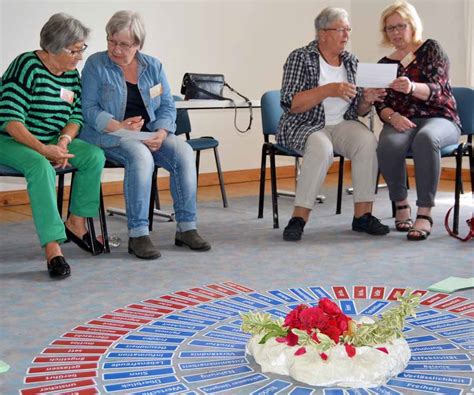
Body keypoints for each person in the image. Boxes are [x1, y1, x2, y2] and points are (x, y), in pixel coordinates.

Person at [80, 10, 211, 259]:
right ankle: (138, 233)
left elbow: (166, 105)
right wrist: (119, 126)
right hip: (108, 135)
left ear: (138, 44)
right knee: (140, 156)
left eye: (123, 44)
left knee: (183, 151)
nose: (115, 49)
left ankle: (187, 227)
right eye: (111, 41)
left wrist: (162, 131)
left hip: (149, 134)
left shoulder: (153, 66)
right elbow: (88, 109)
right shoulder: (96, 65)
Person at [0, 13, 105, 279]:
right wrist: (43, 150)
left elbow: (75, 116)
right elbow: (11, 119)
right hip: (12, 138)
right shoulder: (26, 66)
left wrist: (63, 141)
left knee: (93, 156)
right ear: (52, 49)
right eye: (74, 50)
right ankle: (52, 246)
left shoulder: (70, 74)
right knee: (39, 166)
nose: (79, 56)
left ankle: (76, 222)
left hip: (50, 138)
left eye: (82, 49)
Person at [277, 6, 389, 241]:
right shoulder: (300, 57)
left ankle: (363, 215)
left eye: (348, 30)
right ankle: (299, 217)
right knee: (321, 147)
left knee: (368, 141)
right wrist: (329, 90)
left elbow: (358, 109)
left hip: (342, 124)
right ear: (323, 33)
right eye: (341, 30)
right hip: (305, 124)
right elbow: (291, 103)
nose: (346, 36)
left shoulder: (351, 60)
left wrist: (367, 100)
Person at [376, 1, 461, 241]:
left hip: (440, 117)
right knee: (388, 144)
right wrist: (392, 116)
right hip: (403, 119)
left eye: (399, 26)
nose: (395, 33)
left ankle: (425, 212)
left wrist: (412, 87)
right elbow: (380, 103)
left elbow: (440, 89)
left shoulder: (430, 49)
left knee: (426, 139)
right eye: (389, 28)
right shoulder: (385, 64)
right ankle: (401, 204)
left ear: (412, 26)